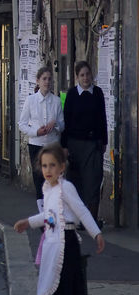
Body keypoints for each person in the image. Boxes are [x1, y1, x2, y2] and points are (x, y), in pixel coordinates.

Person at [14, 143, 105, 295]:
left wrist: (96, 233)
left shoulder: (66, 188)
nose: (48, 170)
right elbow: (48, 216)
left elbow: (81, 211)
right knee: (48, 289)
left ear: (62, 167)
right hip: (51, 243)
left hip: (65, 243)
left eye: (52, 165)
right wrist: (28, 222)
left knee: (59, 292)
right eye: (44, 166)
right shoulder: (48, 190)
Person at [61, 61, 108, 221]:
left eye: (88, 74)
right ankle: (76, 218)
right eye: (82, 75)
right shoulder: (72, 94)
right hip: (75, 145)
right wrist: (64, 145)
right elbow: (65, 121)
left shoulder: (98, 93)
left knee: (93, 181)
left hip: (93, 144)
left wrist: (104, 141)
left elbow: (103, 118)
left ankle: (91, 220)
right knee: (76, 182)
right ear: (77, 77)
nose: (86, 78)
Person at [18, 65, 64, 207]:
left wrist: (54, 124)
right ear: (38, 81)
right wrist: (36, 131)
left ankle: (53, 211)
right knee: (39, 179)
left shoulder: (56, 101)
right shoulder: (31, 100)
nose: (47, 82)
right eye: (44, 79)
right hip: (36, 145)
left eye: (49, 79)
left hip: (52, 145)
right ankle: (43, 215)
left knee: (53, 179)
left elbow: (63, 125)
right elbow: (22, 124)